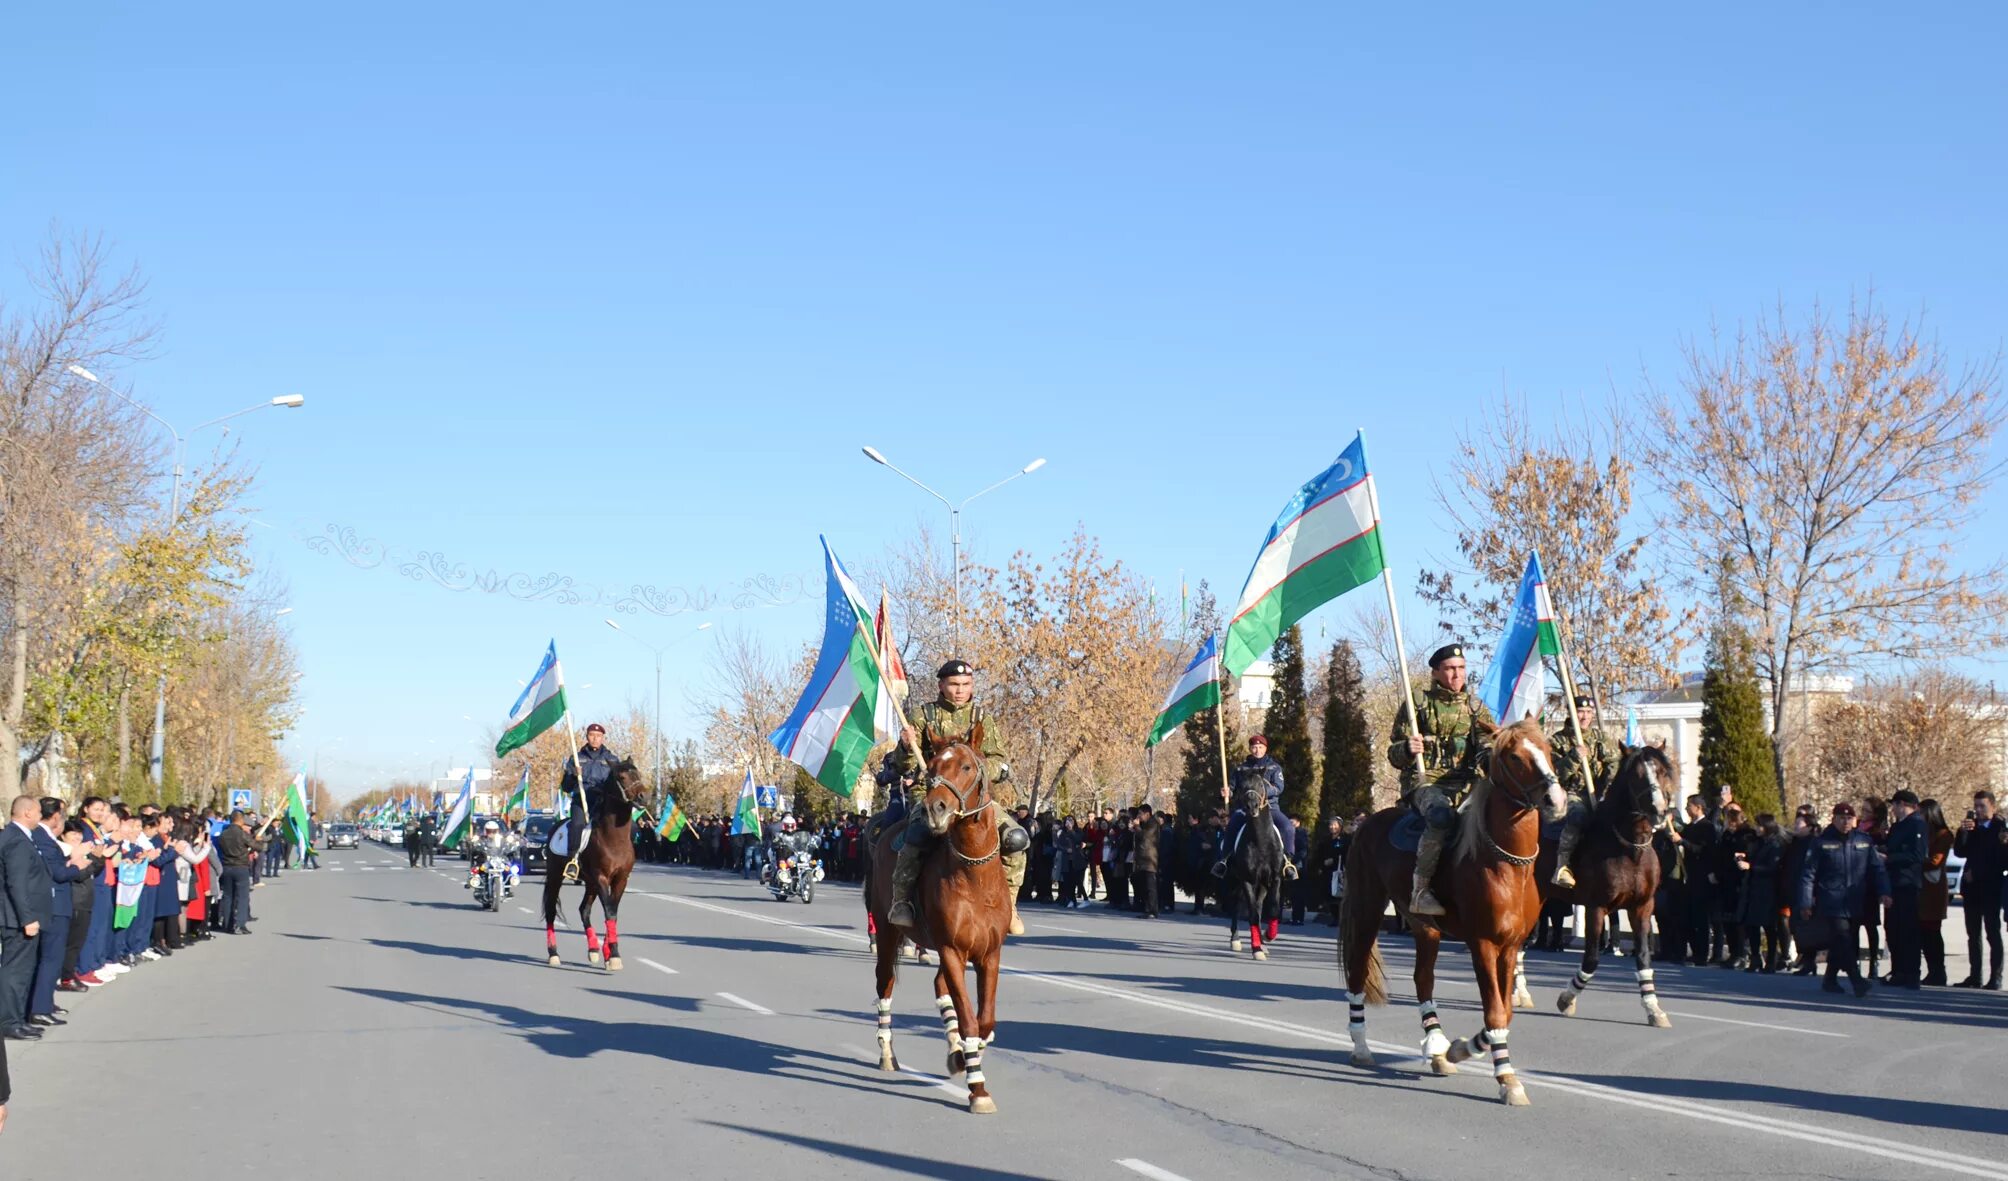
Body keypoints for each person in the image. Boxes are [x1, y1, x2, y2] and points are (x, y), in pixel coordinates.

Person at [891, 660, 1032, 934]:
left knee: (1016, 838)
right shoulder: (924, 716)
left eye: (966, 685)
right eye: (954, 685)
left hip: (974, 801)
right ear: (941, 685)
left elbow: (999, 762)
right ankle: (902, 900)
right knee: (916, 838)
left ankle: (1011, 904)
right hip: (933, 797)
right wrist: (906, 746)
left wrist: (976, 768)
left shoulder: (981, 718)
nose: (960, 690)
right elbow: (903, 766)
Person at [1387, 643, 1495, 916]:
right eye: (1449, 669)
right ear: (1436, 673)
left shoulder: (1475, 708)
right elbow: (1393, 753)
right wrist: (1407, 748)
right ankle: (1420, 890)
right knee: (1440, 817)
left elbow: (1484, 748)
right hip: (1425, 781)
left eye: (1461, 668)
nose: (1457, 675)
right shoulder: (1417, 704)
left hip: (1467, 784)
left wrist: (1493, 752)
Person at [1797, 802, 1890, 997]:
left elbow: (1877, 869)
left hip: (1856, 899)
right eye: (1841, 818)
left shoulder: (1864, 840)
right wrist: (1805, 902)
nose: (1846, 822)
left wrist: (1884, 891)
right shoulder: (1821, 842)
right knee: (1842, 938)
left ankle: (1830, 979)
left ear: (1855, 820)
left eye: (1849, 818)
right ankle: (1857, 980)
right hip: (1831, 900)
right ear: (1833, 819)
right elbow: (1808, 874)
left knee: (1844, 942)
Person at [1548, 695, 1617, 889]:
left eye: (1588, 712)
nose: (1585, 717)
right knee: (1577, 816)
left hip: (1598, 792)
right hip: (1571, 793)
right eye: (1580, 712)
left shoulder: (1600, 738)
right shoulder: (1557, 741)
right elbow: (1555, 774)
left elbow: (1614, 762)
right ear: (1571, 713)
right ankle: (1563, 866)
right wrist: (1574, 757)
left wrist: (1608, 786)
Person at [0, 797, 53, 1041]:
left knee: (22, 970)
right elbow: (17, 883)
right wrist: (27, 918)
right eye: (39, 812)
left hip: (19, 916)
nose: (41, 817)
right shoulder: (17, 841)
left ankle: (17, 1018)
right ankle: (9, 1022)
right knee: (16, 972)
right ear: (28, 813)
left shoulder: (16, 837)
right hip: (17, 918)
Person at [1212, 735, 1298, 881]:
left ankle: (1288, 862)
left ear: (1265, 748)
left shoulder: (1274, 767)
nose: (1257, 750)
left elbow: (1279, 787)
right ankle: (1223, 861)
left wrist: (1262, 792)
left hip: (1270, 808)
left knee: (1288, 827)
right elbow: (1232, 788)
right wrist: (1226, 792)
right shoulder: (1240, 769)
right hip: (1245, 808)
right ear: (1250, 748)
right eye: (1254, 747)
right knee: (1232, 826)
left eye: (1260, 747)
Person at [1953, 790, 2005, 989]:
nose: (1978, 810)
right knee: (1973, 934)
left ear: (1992, 806)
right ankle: (1975, 975)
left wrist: (1979, 873)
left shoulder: (2001, 828)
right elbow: (1960, 851)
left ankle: (1996, 976)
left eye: (1982, 806)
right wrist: (1964, 831)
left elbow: (2000, 859)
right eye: (1976, 806)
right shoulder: (1972, 827)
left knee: (1992, 932)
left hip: (1991, 886)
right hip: (1971, 888)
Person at [559, 723, 623, 880]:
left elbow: (619, 784)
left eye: (598, 736)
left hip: (602, 801)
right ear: (587, 737)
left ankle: (622, 860)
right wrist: (573, 774)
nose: (595, 739)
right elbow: (566, 787)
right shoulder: (576, 758)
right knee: (577, 825)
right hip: (582, 799)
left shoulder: (612, 759)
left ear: (603, 738)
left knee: (626, 826)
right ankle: (573, 860)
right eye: (592, 735)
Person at [1882, 790, 1927, 989]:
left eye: (1895, 805)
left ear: (1903, 805)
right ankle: (1898, 969)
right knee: (1893, 929)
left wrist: (1890, 858)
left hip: (1907, 882)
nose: (1893, 809)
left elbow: (1917, 854)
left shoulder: (1917, 824)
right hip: (1893, 882)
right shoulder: (1897, 826)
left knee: (1908, 930)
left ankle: (1911, 972)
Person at [1919, 798, 1954, 987]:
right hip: (1921, 888)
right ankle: (1932, 970)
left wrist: (1915, 861)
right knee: (1924, 933)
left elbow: (1935, 861)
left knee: (1932, 931)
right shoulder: (1922, 833)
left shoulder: (1943, 835)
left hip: (1933, 889)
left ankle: (1938, 971)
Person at [214, 811, 256, 934]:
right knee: (242, 896)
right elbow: (256, 846)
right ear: (240, 820)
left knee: (228, 896)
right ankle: (240, 924)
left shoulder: (223, 834)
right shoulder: (242, 834)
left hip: (227, 866)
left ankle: (227, 924)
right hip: (241, 867)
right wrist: (257, 840)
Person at [465, 821, 521, 897]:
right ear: (485, 831)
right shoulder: (481, 839)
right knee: (476, 870)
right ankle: (477, 884)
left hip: (500, 862)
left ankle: (507, 889)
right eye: (489, 831)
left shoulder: (502, 840)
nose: (491, 833)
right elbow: (474, 848)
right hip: (485, 863)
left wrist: (513, 847)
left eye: (493, 831)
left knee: (510, 870)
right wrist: (474, 844)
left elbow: (509, 847)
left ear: (497, 831)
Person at [1131, 805, 1162, 918]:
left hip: (1149, 859)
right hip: (1142, 859)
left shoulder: (1153, 823)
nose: (1139, 816)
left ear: (1147, 813)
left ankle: (1153, 910)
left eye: (1140, 814)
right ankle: (1147, 908)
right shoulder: (1145, 824)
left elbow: (1145, 836)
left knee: (1151, 887)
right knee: (1143, 885)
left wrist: (1137, 827)